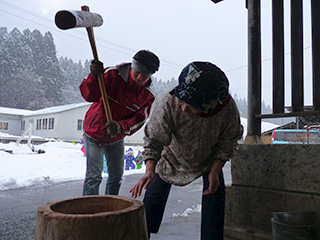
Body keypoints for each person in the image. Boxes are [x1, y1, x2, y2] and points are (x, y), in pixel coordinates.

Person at [130, 61, 243, 240]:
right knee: (152, 197)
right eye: (181, 102)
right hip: (171, 156)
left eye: (190, 106)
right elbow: (154, 138)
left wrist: (215, 170)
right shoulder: (168, 101)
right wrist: (150, 169)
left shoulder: (226, 108)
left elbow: (228, 141)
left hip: (209, 159)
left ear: (210, 104)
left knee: (215, 193)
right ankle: (142, 235)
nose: (183, 108)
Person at [80, 50, 160, 196]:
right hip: (94, 132)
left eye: (145, 75)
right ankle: (88, 212)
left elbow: (139, 120)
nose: (140, 78)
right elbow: (89, 95)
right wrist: (93, 77)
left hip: (116, 138)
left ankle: (110, 207)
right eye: (137, 73)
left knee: (116, 177)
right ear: (132, 67)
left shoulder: (147, 96)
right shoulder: (111, 75)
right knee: (93, 177)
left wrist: (121, 127)